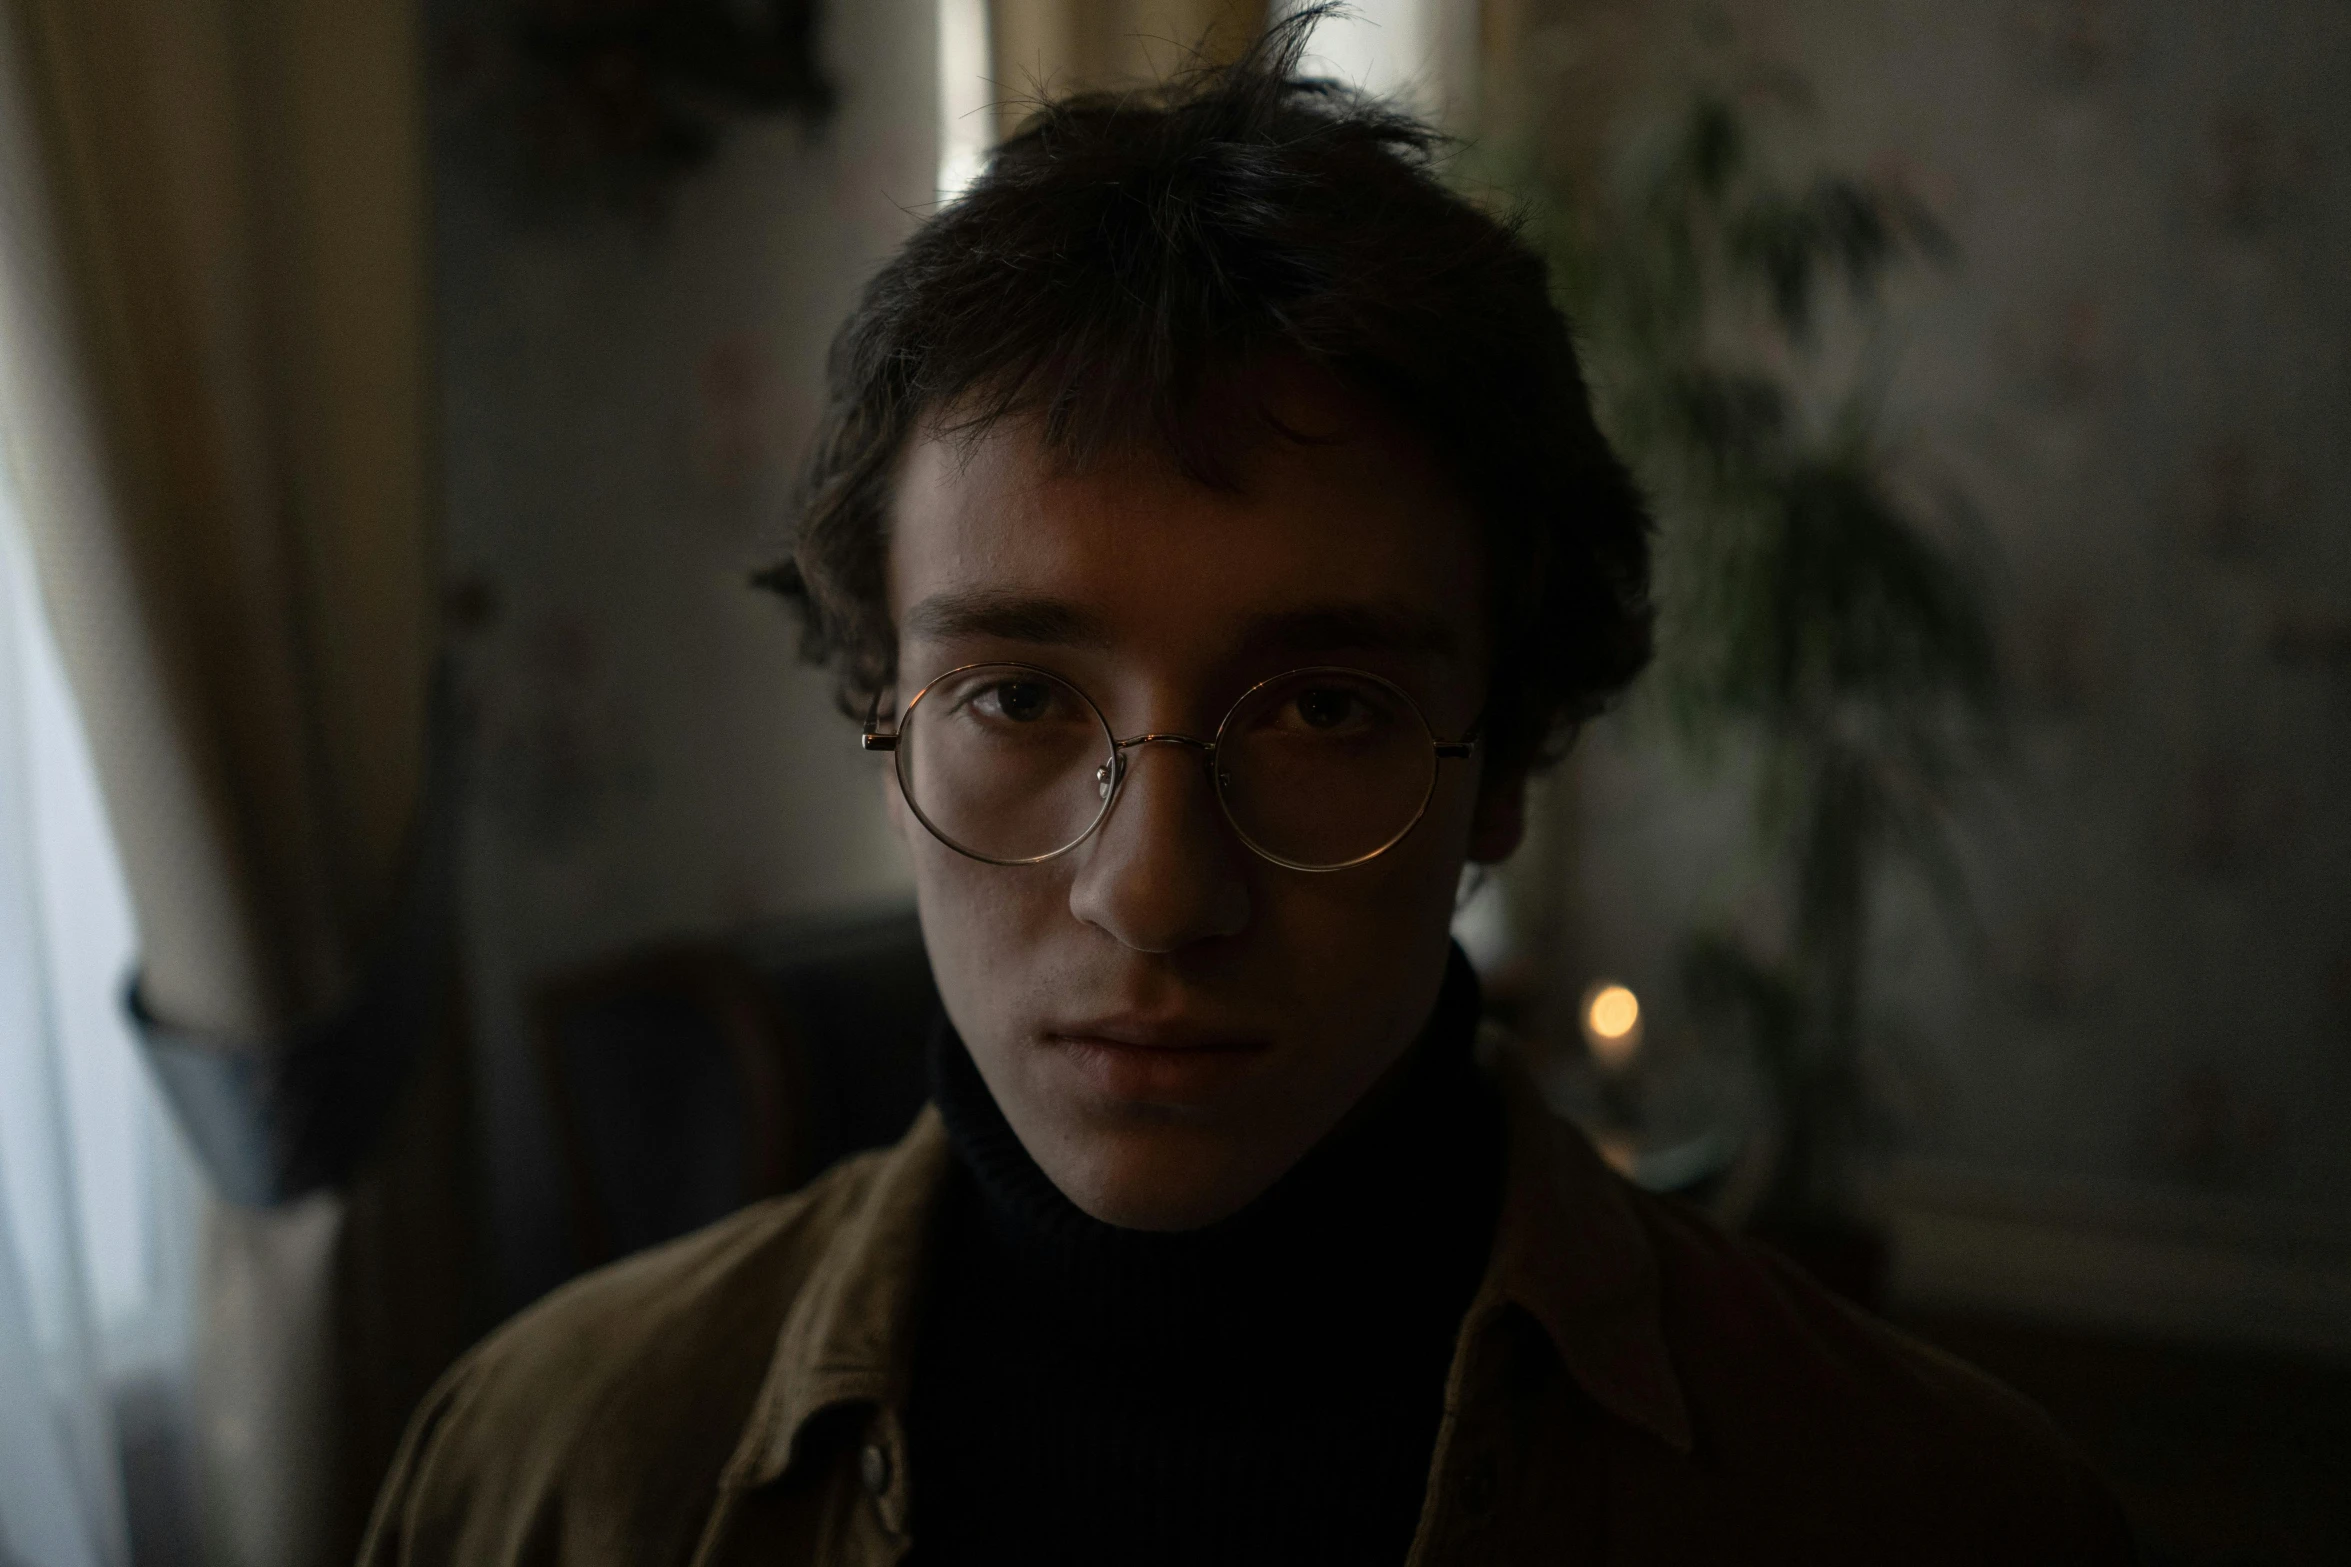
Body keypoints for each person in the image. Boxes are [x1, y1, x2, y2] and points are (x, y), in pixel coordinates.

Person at [359, 15, 2134, 1566]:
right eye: (1019, 692)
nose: (1153, 890)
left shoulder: (1930, 1509)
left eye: (1323, 707)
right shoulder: (545, 1476)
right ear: (881, 732)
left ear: (1500, 764)